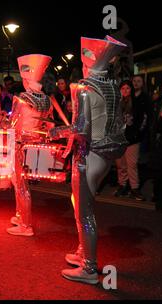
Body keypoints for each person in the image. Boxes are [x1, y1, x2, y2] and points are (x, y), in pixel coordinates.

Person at [49, 36, 127, 284]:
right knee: (79, 203)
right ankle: (83, 252)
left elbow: (81, 129)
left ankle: (90, 269)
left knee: (85, 211)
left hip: (89, 155)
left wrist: (57, 132)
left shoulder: (84, 89)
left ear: (88, 64)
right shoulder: (113, 87)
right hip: (106, 154)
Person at [0, 54, 55, 237]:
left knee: (21, 186)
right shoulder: (47, 100)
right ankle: (19, 215)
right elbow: (50, 126)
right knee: (20, 184)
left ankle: (25, 225)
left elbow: (11, 126)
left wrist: (2, 121)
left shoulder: (21, 99)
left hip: (20, 145)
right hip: (36, 146)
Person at [114, 81, 147, 200]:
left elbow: (143, 120)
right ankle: (122, 185)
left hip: (132, 139)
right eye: (123, 88)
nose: (125, 90)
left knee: (131, 165)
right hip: (119, 139)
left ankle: (134, 188)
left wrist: (136, 135)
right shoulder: (117, 104)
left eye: (128, 88)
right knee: (120, 164)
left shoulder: (136, 103)